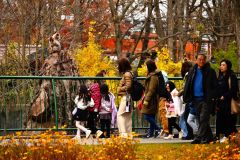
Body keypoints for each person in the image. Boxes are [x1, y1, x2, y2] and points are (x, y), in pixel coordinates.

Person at [183, 53, 217, 144]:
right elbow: (188, 84)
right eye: (199, 59)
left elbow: (215, 86)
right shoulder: (192, 71)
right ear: (196, 60)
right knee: (200, 119)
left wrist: (212, 96)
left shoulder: (210, 71)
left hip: (206, 99)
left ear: (205, 60)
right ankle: (209, 137)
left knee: (203, 118)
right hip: (195, 99)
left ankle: (198, 137)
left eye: (203, 59)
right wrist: (187, 96)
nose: (201, 61)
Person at [215, 59, 238, 143]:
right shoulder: (220, 76)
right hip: (220, 103)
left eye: (223, 65)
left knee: (229, 120)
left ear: (228, 66)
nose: (221, 66)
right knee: (220, 119)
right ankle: (219, 136)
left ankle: (228, 136)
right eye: (221, 65)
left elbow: (234, 89)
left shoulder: (231, 76)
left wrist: (224, 96)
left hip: (229, 103)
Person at [141, 60, 161, 138]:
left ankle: (158, 129)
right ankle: (151, 133)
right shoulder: (152, 75)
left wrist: (146, 100)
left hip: (151, 99)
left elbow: (151, 90)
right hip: (151, 98)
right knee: (151, 116)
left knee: (146, 116)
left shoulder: (153, 77)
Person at [117, 58, 133, 137]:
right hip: (128, 97)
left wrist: (120, 89)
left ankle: (123, 133)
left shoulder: (127, 74)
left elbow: (128, 86)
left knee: (120, 115)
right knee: (127, 116)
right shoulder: (129, 73)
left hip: (126, 97)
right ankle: (129, 133)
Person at [178, 61, 194, 140]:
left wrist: (180, 93)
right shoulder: (191, 74)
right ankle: (190, 134)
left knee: (187, 116)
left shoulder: (187, 75)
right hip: (190, 98)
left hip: (189, 98)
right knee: (188, 116)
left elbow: (186, 87)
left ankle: (190, 134)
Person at [87, 70, 106, 138]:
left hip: (92, 106)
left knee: (90, 122)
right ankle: (96, 134)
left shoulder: (95, 86)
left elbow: (90, 91)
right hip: (97, 107)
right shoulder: (100, 86)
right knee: (91, 121)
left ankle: (100, 134)